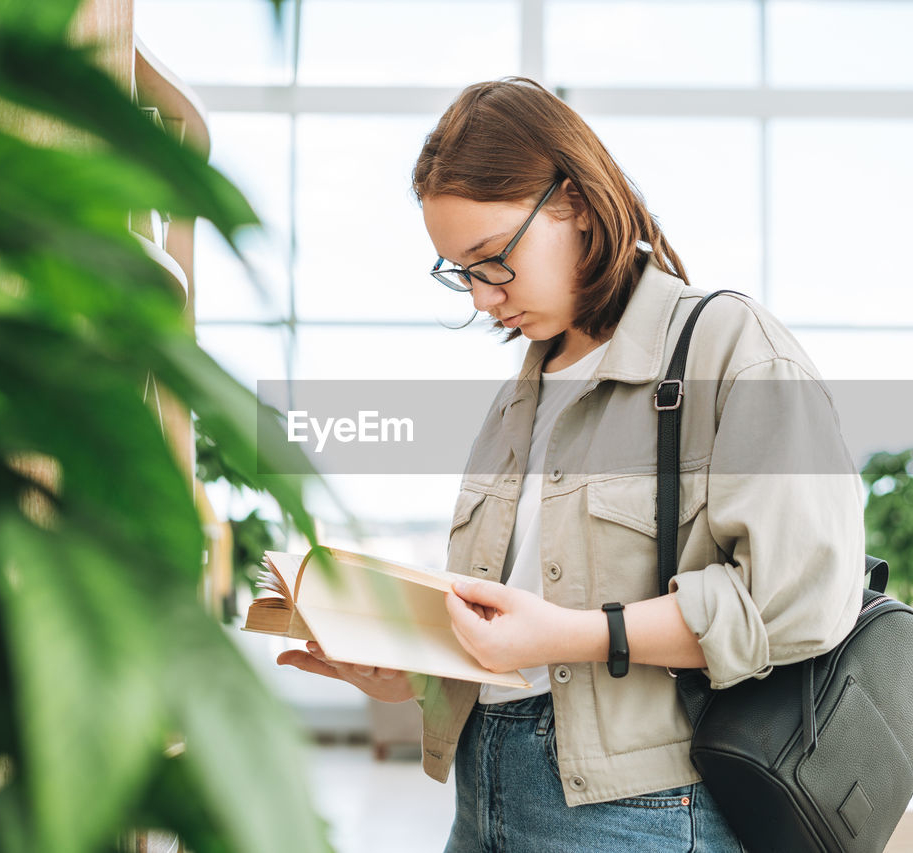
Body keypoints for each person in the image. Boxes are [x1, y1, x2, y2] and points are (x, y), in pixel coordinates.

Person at [278, 77, 864, 853]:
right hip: (482, 793)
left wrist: (576, 634)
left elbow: (799, 599)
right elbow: (520, 621)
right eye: (460, 271)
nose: (484, 299)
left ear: (576, 204)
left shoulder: (728, 346)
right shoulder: (520, 394)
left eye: (493, 260)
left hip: (638, 811)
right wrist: (417, 668)